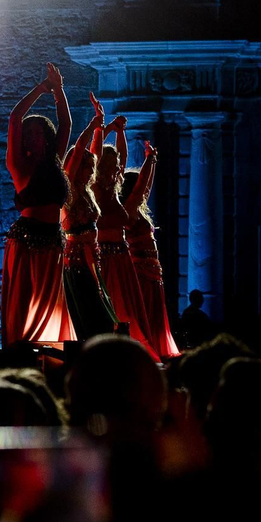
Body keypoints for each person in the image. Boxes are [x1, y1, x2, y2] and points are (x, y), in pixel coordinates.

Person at [1, 63, 74, 344]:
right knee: (24, 303)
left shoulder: (54, 162)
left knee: (50, 303)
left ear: (47, 136)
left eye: (37, 132)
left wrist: (59, 91)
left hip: (53, 241)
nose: (32, 137)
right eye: (28, 133)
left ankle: (46, 353)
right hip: (27, 241)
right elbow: (14, 118)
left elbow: (66, 124)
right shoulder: (18, 165)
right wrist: (41, 89)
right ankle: (16, 353)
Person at [92, 107, 158, 360]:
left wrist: (120, 133)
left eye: (115, 165)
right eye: (109, 165)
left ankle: (131, 353)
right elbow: (95, 152)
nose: (115, 169)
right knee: (112, 310)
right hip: (105, 259)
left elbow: (127, 162)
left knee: (129, 312)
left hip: (121, 260)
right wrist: (107, 129)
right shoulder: (96, 190)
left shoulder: (115, 193)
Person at [61, 98, 118, 340]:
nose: (91, 172)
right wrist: (92, 126)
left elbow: (95, 153)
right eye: (87, 168)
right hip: (77, 260)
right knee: (89, 310)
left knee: (100, 309)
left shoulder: (86, 191)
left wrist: (100, 128)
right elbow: (78, 153)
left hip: (91, 258)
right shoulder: (70, 191)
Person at [120, 141, 182, 359]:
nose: (144, 192)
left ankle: (155, 349)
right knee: (145, 313)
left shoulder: (137, 210)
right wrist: (148, 160)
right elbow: (141, 188)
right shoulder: (127, 212)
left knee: (154, 313)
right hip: (141, 273)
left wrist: (152, 161)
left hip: (153, 273)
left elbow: (144, 189)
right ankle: (145, 354)